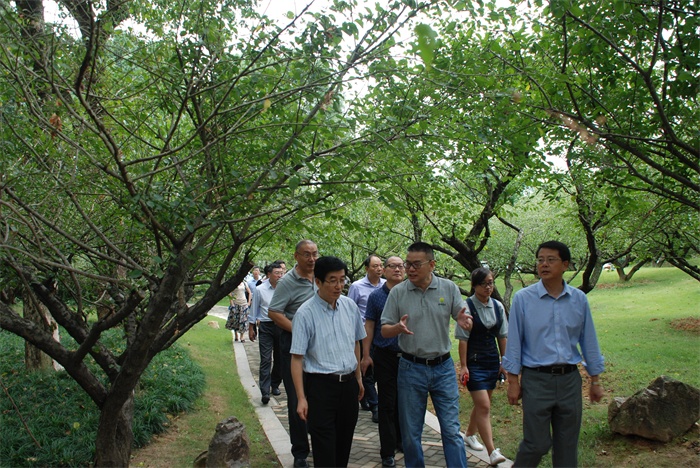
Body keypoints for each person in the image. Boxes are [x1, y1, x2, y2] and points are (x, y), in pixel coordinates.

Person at [502, 240, 605, 467]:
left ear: (565, 264)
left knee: (567, 447)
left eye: (551, 260)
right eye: (540, 260)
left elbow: (588, 340)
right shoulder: (523, 299)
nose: (544, 264)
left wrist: (595, 380)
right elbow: (515, 341)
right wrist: (513, 381)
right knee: (536, 444)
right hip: (536, 380)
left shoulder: (578, 299)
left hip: (569, 381)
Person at [381, 242, 473, 468]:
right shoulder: (398, 292)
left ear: (431, 264)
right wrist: (397, 328)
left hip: (443, 368)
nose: (410, 269)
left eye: (416, 264)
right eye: (408, 264)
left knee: (451, 429)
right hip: (411, 368)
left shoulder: (448, 288)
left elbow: (462, 316)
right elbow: (384, 330)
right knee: (411, 432)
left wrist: (465, 321)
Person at [290, 256, 366, 468]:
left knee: (344, 444)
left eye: (342, 280)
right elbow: (297, 358)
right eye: (332, 280)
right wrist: (301, 398)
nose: (339, 286)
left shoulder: (350, 306)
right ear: (318, 282)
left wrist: (358, 378)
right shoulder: (305, 313)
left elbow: (356, 343)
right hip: (321, 388)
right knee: (324, 448)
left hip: (349, 386)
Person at [268, 240, 318, 468]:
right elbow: (274, 312)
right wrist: (298, 331)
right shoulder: (287, 282)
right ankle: (300, 452)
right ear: (296, 256)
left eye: (314, 254)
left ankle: (319, 441)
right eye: (306, 254)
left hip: (319, 345)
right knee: (298, 397)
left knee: (318, 396)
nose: (312, 259)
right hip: (293, 343)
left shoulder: (320, 276)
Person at [457, 268, 508, 466]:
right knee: (484, 406)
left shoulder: (497, 306)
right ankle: (492, 451)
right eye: (484, 283)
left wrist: (504, 362)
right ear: (474, 285)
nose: (488, 287)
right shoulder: (467, 307)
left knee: (483, 404)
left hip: (491, 361)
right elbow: (463, 339)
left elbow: (502, 336)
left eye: (491, 283)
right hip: (474, 362)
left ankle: (470, 434)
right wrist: (463, 366)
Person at [363, 256, 405, 467]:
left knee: (405, 403)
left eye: (401, 266)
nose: (397, 269)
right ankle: (387, 452)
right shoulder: (376, 297)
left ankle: (401, 440)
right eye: (392, 266)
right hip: (385, 356)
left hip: (408, 358)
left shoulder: (411, 293)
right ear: (384, 270)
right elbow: (370, 326)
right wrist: (366, 355)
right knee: (387, 404)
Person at [348, 254, 385, 421]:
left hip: (382, 334)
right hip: (364, 334)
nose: (379, 269)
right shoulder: (357, 286)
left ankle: (364, 396)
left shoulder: (386, 285)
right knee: (367, 369)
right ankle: (375, 406)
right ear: (366, 268)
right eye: (375, 266)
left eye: (381, 265)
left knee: (378, 369)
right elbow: (350, 309)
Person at [248, 263, 284, 404]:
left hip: (281, 326)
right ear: (269, 274)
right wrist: (251, 327)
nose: (280, 276)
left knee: (280, 358)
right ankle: (264, 391)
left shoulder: (285, 289)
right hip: (266, 326)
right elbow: (254, 309)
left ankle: (275, 384)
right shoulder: (260, 289)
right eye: (277, 273)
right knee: (266, 359)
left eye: (281, 273)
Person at [248, 267, 262, 342]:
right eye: (254, 270)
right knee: (253, 316)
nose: (256, 272)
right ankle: (254, 333)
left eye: (257, 270)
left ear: (259, 272)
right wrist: (249, 301)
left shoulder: (262, 281)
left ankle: (261, 333)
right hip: (253, 300)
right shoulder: (249, 282)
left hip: (261, 301)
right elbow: (248, 292)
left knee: (260, 318)